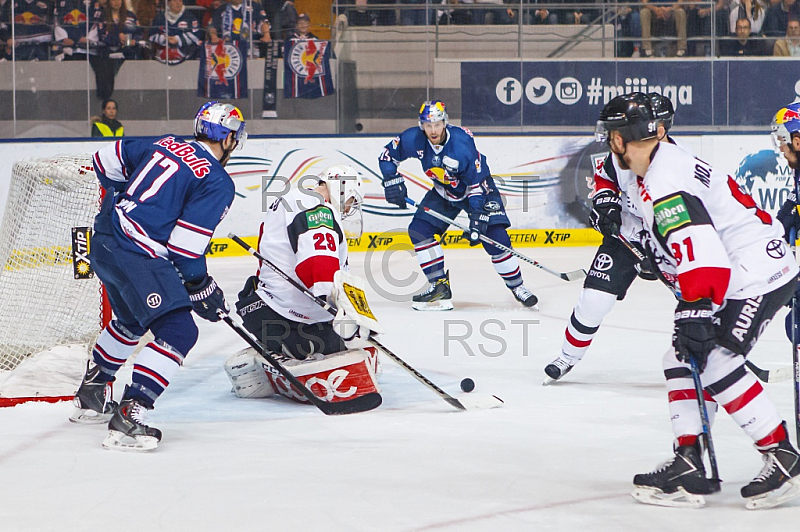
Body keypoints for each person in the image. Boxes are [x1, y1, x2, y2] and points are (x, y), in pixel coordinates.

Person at [596, 92, 800, 509]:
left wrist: (695, 309)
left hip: (757, 270)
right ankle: (689, 458)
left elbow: (701, 252)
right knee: (679, 357)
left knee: (715, 357)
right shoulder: (650, 162)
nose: (609, 144)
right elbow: (622, 191)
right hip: (734, 268)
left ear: (621, 140)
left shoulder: (665, 179)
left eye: (612, 135)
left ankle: (780, 454)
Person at [70, 102, 247, 452]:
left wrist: (129, 202)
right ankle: (128, 415)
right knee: (180, 331)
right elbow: (185, 249)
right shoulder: (217, 180)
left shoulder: (164, 143)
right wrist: (201, 286)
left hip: (105, 238)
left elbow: (104, 160)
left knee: (132, 320)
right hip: (136, 252)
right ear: (227, 138)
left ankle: (91, 393)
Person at [543, 92, 674, 383]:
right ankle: (567, 356)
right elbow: (605, 179)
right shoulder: (622, 155)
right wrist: (606, 206)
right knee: (593, 300)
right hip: (625, 237)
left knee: (696, 300)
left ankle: (719, 357)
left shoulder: (678, 167)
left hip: (668, 241)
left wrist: (660, 252)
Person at [227, 165, 381, 403]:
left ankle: (272, 353)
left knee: (361, 346)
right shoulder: (316, 207)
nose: (349, 209)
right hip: (288, 320)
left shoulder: (292, 199)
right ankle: (288, 352)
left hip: (261, 311)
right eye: (351, 200)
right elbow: (320, 267)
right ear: (342, 189)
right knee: (356, 351)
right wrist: (342, 311)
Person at [378, 100, 538, 311]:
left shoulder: (462, 144)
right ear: (421, 125)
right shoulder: (414, 139)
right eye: (428, 125)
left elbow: (476, 185)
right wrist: (391, 181)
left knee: (495, 238)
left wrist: (478, 217)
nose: (433, 130)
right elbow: (387, 156)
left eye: (437, 124)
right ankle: (439, 286)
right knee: (419, 230)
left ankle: (518, 287)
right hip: (445, 192)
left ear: (445, 122)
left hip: (479, 189)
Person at [92, 0, 142, 99]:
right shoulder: (102, 16)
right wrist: (117, 38)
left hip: (127, 53)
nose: (116, 2)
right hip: (107, 53)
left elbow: (139, 33)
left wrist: (133, 41)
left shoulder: (131, 16)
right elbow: (101, 35)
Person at [206, 0, 271, 56]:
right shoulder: (221, 9)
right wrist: (214, 36)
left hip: (250, 50)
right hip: (226, 51)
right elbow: (212, 26)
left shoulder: (253, 6)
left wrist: (266, 35)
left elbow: (263, 23)